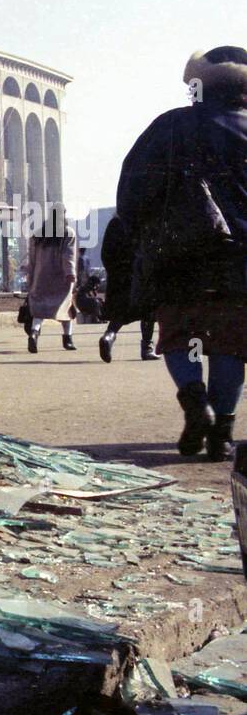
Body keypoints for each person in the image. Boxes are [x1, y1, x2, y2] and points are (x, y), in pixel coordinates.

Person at [117, 46, 247, 462]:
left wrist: (144, 233)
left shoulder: (169, 126)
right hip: (238, 262)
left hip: (178, 259)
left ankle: (196, 403)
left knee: (184, 336)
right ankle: (222, 434)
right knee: (229, 346)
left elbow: (131, 195)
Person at [96, 216, 157, 363]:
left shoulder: (116, 222)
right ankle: (147, 348)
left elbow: (105, 253)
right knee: (148, 312)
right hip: (141, 274)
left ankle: (108, 336)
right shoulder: (146, 220)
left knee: (120, 314)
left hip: (119, 277)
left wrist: (114, 272)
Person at [23, 205, 78, 352]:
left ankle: (34, 334)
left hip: (41, 278)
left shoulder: (38, 234)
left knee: (39, 311)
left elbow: (32, 259)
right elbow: (68, 255)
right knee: (66, 309)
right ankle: (68, 340)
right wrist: (70, 274)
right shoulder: (68, 233)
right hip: (61, 278)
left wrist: (31, 278)